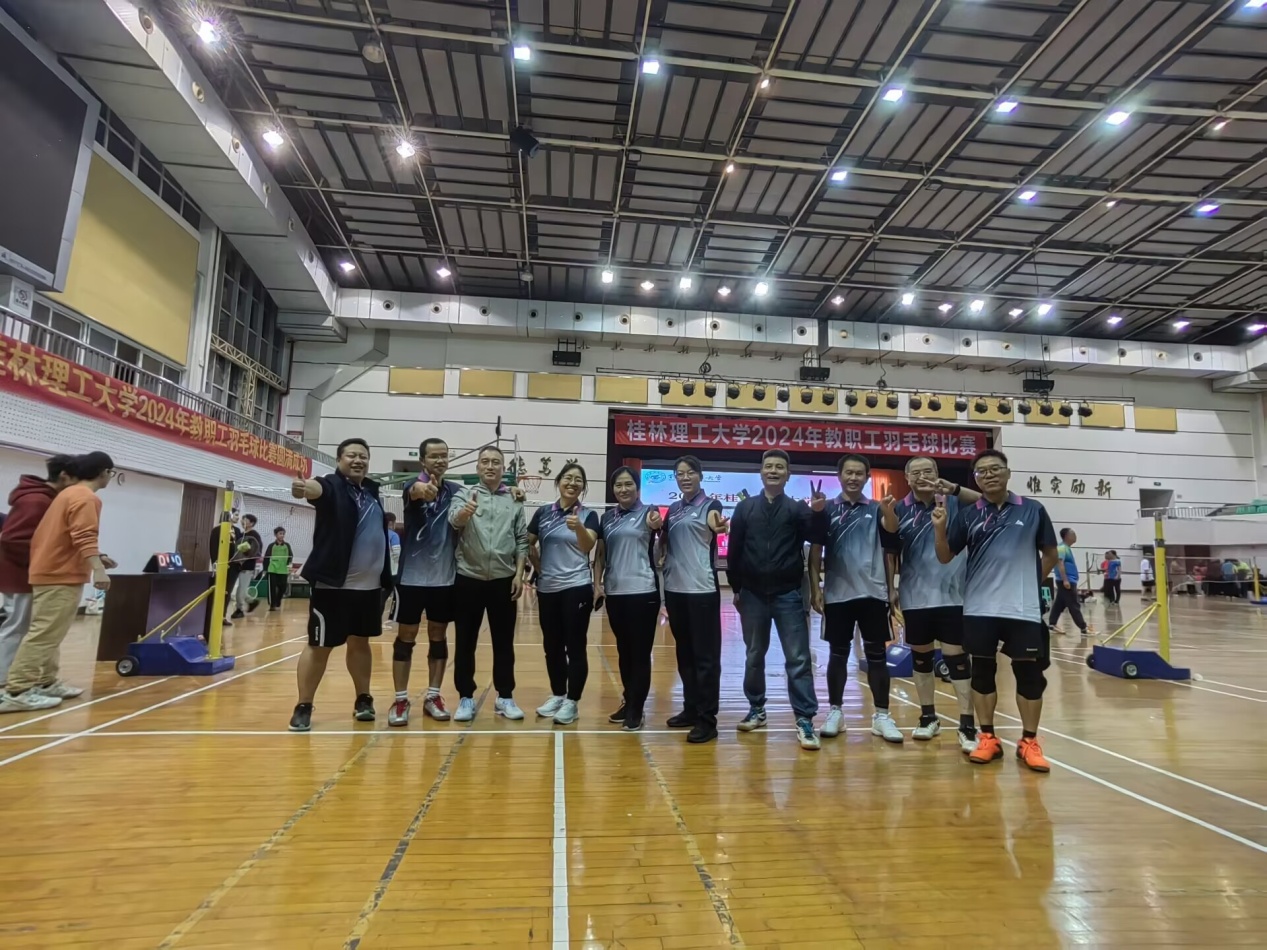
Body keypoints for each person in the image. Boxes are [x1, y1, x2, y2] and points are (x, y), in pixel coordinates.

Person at [932, 448, 1059, 772]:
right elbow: (945, 556)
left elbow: (1050, 554)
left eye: (995, 469)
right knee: (983, 672)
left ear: (1007, 473)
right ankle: (988, 737)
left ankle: (1029, 741)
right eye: (981, 471)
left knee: (1029, 675)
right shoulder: (969, 515)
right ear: (975, 478)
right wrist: (940, 529)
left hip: (1022, 608)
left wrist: (1029, 584)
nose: (989, 475)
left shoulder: (1032, 509)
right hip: (980, 607)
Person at [287, 438, 392, 732]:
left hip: (369, 588)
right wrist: (304, 488)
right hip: (333, 588)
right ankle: (303, 705)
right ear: (339, 460)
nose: (358, 460)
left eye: (363, 456)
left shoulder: (370, 492)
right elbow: (316, 489)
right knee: (319, 646)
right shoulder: (332, 485)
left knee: (360, 643)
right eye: (351, 455)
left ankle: (363, 699)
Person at [727, 449, 827, 751]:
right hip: (752, 595)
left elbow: (818, 536)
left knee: (798, 659)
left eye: (779, 467)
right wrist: (736, 588)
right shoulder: (745, 508)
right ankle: (756, 708)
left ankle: (805, 719)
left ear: (788, 475)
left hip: (789, 594)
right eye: (768, 466)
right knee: (754, 655)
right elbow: (734, 550)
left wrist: (818, 512)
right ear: (761, 473)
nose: (773, 471)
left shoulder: (797, 509)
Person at [1, 452, 116, 712]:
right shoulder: (85, 497)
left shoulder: (68, 494)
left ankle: (45, 681)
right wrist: (98, 570)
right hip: (58, 575)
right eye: (111, 473)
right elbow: (85, 535)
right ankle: (17, 690)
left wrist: (97, 559)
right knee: (43, 634)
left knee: (50, 633)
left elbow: (70, 536)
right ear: (104, 472)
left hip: (52, 572)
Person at [809, 453, 903, 743]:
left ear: (867, 477)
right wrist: (815, 587)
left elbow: (891, 543)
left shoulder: (877, 508)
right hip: (838, 594)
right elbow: (815, 550)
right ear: (839, 476)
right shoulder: (826, 508)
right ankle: (835, 712)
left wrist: (892, 590)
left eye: (859, 473)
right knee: (837, 654)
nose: (853, 478)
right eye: (848, 472)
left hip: (873, 593)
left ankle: (882, 715)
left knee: (877, 655)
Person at [892, 456, 980, 751]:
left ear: (937, 474)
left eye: (928, 471)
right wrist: (891, 590)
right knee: (921, 658)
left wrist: (954, 489)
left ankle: (967, 724)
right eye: (915, 472)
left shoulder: (956, 503)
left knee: (956, 658)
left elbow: (986, 501)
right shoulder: (898, 509)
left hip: (954, 595)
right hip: (915, 596)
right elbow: (890, 552)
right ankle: (928, 717)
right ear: (906, 477)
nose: (922, 476)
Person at [448, 445, 529, 723]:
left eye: (496, 462)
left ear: (503, 468)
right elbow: (454, 521)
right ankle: (465, 697)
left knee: (504, 643)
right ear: (478, 467)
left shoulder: (514, 500)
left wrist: (519, 574)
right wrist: (466, 512)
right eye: (485, 462)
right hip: (468, 578)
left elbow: (521, 540)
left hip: (504, 581)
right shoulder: (464, 495)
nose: (490, 466)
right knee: (465, 642)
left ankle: (505, 696)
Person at [391, 438, 460, 726]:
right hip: (412, 577)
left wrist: (514, 491)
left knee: (438, 636)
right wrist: (425, 490)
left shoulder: (455, 491)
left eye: (444, 456)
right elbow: (417, 491)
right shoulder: (412, 485)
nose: (440, 460)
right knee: (406, 637)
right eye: (434, 456)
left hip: (444, 578)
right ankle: (400, 699)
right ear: (422, 461)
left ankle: (433, 696)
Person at [661, 455, 727, 744]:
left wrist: (719, 526)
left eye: (690, 472)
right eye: (680, 473)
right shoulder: (674, 510)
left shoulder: (711, 505)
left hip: (702, 591)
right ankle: (690, 709)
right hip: (675, 591)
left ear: (700, 475)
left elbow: (716, 523)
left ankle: (707, 720)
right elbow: (664, 541)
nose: (685, 477)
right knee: (685, 655)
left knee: (706, 659)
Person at [529, 463, 600, 726]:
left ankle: (572, 701)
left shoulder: (589, 515)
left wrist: (578, 527)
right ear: (558, 481)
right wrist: (538, 567)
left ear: (583, 486)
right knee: (552, 646)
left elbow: (588, 545)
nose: (572, 483)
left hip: (576, 587)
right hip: (547, 589)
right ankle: (558, 694)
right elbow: (526, 542)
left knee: (575, 645)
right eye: (568, 478)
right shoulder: (543, 512)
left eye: (578, 480)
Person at [594, 466, 662, 731]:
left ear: (637, 487)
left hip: (643, 592)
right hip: (615, 593)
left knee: (640, 653)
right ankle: (629, 699)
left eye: (628, 484)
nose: (623, 489)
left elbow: (657, 526)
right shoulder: (607, 518)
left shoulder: (649, 512)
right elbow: (600, 554)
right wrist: (597, 584)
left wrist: (656, 525)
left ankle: (637, 708)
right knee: (624, 650)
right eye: (618, 485)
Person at [0, 455, 74, 684]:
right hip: (21, 575)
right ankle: (4, 680)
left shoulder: (49, 500)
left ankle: (40, 680)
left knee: (39, 629)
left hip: (32, 574)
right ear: (64, 476)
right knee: (17, 627)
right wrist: (43, 561)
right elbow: (12, 540)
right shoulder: (36, 501)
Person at [1048, 528, 1089, 636]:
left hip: (1068, 580)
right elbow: (1060, 563)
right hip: (1067, 581)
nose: (1075, 536)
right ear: (1066, 536)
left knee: (1059, 604)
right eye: (1073, 534)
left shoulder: (1066, 548)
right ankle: (1083, 628)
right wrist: (1065, 580)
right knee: (1074, 605)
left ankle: (1052, 624)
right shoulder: (1062, 548)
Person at [231, 514, 263, 619]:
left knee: (241, 591)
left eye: (245, 520)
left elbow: (257, 551)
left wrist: (247, 551)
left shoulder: (254, 535)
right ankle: (251, 601)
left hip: (247, 566)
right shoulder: (241, 534)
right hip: (238, 565)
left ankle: (239, 610)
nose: (242, 521)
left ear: (251, 523)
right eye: (242, 520)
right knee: (241, 590)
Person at [262, 527, 293, 611]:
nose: (282, 535)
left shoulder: (287, 545)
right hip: (272, 569)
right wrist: (265, 569)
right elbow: (266, 558)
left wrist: (289, 567)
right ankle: (272, 605)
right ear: (276, 535)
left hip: (283, 570)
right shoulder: (271, 546)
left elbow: (290, 557)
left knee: (283, 587)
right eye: (280, 533)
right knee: (272, 588)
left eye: (283, 534)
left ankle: (278, 600)